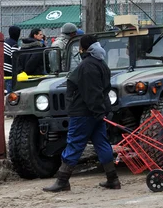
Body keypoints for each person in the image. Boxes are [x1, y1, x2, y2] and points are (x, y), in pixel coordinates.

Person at [43, 35, 119, 192]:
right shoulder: (101, 64)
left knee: (75, 143)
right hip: (97, 113)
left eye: (79, 46)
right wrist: (103, 112)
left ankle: (62, 181)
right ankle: (113, 179)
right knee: (102, 143)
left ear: (84, 48)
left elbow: (91, 93)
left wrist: (96, 112)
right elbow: (104, 91)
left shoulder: (86, 66)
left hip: (84, 113)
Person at [3, 26, 21, 93]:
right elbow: (14, 59)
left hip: (4, 68)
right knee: (11, 89)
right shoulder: (14, 44)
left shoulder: (6, 42)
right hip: (10, 70)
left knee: (8, 84)